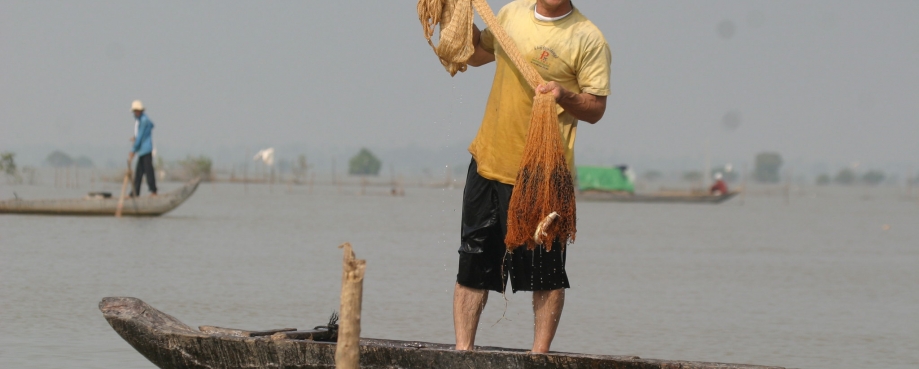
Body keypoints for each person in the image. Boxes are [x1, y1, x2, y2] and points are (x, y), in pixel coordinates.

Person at [453, 0, 610, 354]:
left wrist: (563, 94)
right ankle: (463, 353)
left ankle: (538, 357)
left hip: (544, 174)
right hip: (489, 161)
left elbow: (596, 109)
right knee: (473, 261)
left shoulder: (588, 38)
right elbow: (478, 54)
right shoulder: (510, 14)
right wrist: (456, 15)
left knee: (545, 272)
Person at [129, 100, 157, 197]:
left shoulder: (144, 120)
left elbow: (141, 136)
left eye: (137, 111)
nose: (135, 113)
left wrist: (133, 150)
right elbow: (142, 135)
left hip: (146, 150)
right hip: (142, 151)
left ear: (140, 111)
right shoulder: (143, 120)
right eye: (134, 111)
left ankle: (153, 191)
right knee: (139, 173)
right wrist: (135, 138)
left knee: (149, 172)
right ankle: (135, 193)